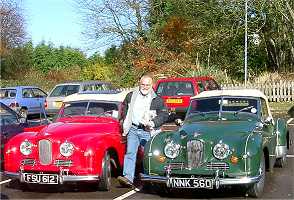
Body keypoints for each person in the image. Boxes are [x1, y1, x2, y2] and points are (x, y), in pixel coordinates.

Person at [117, 74, 169, 188]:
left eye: (147, 85)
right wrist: (125, 122)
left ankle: (150, 178)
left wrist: (153, 123)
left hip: (148, 130)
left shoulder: (157, 99)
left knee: (149, 154)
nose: (145, 87)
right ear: (139, 84)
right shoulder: (130, 96)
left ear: (152, 85)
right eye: (143, 84)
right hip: (133, 129)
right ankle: (128, 178)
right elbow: (125, 109)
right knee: (130, 153)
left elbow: (164, 114)